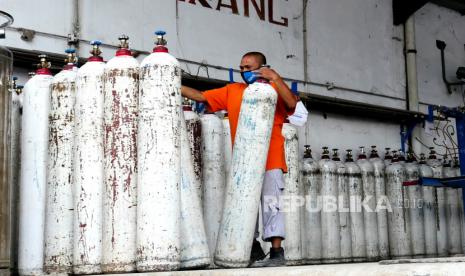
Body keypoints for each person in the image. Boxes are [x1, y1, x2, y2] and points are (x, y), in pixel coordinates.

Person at [181, 52, 297, 267]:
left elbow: (292, 103)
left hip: (271, 159)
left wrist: (275, 78)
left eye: (249, 67)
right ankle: (252, 249)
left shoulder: (272, 91)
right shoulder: (233, 91)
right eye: (241, 68)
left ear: (263, 67)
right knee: (244, 204)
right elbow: (200, 96)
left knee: (272, 205)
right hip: (244, 162)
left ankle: (277, 253)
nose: (244, 72)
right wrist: (170, 82)